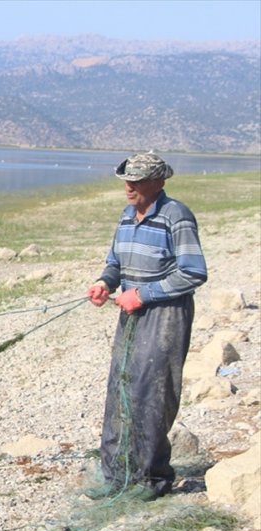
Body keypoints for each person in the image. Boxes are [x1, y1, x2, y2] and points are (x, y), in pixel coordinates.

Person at [86, 152, 207, 499]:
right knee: (120, 388)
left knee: (152, 393)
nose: (129, 187)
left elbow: (193, 272)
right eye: (127, 180)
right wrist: (105, 283)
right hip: (131, 311)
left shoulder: (177, 216)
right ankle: (116, 477)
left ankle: (151, 480)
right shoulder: (126, 216)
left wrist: (143, 294)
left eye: (137, 181)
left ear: (159, 183)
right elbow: (114, 263)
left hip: (166, 315)